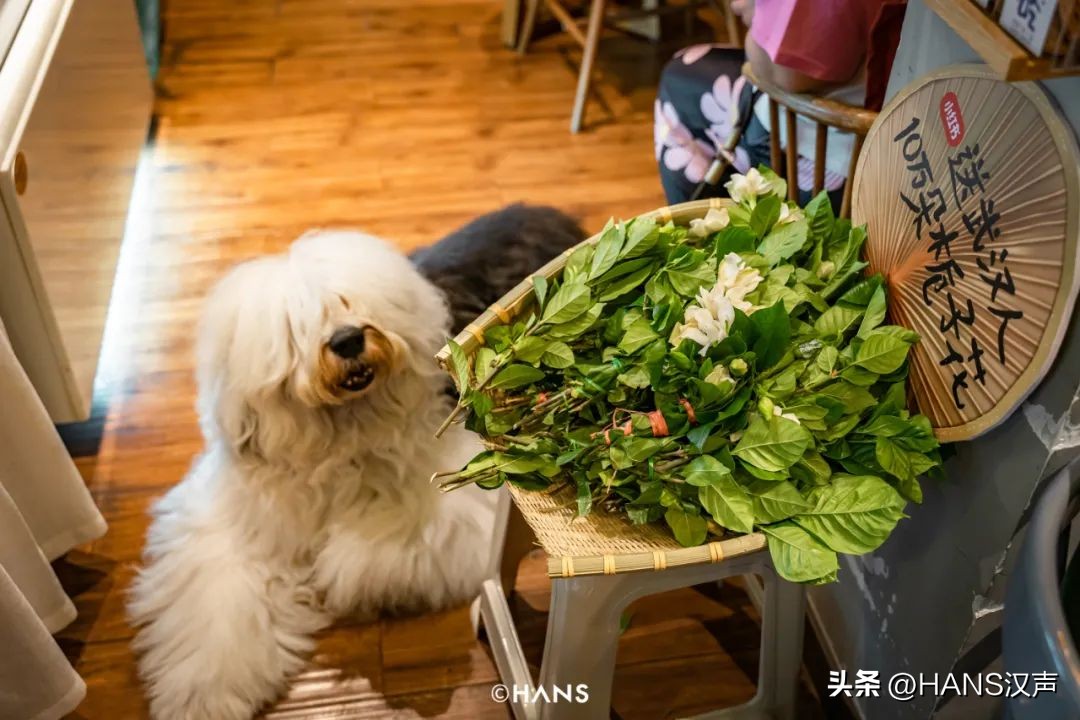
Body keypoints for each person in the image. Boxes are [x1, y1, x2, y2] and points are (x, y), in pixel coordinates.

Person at [655, 0, 906, 206]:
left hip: (838, 167)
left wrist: (755, 13)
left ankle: (703, 242)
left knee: (679, 83)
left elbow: (783, 72)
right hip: (912, 139)